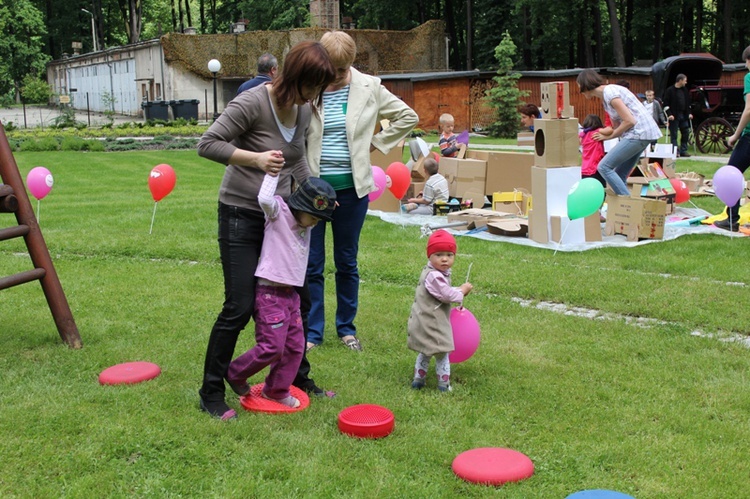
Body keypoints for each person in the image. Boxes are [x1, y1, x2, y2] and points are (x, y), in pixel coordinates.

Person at [196, 41, 335, 420]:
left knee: (298, 303)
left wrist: (317, 201)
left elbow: (299, 165)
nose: (315, 95)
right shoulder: (252, 103)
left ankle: (297, 379)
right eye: (312, 86)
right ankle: (211, 391)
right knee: (239, 305)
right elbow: (207, 144)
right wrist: (255, 159)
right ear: (296, 76)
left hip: (284, 218)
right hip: (241, 214)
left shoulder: (304, 111)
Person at [304, 30, 418, 352]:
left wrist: (376, 143)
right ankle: (313, 332)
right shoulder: (310, 85)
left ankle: (346, 329)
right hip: (313, 190)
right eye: (332, 68)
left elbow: (408, 116)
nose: (337, 75)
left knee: (346, 261)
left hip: (352, 192)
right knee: (311, 264)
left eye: (343, 69)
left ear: (352, 62)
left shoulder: (370, 87)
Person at [226, 174, 336, 409]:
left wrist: (326, 205)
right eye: (314, 217)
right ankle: (235, 372)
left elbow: (317, 208)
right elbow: (264, 198)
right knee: (272, 347)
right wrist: (272, 174)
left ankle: (276, 390)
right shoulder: (279, 214)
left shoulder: (307, 225)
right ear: (301, 207)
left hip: (291, 296)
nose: (315, 223)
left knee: (295, 347)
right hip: (270, 295)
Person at [577, 69, 662, 196]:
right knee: (618, 174)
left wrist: (610, 135)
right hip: (641, 134)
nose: (579, 91)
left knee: (603, 167)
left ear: (585, 85)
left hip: (639, 133)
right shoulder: (605, 98)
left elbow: (629, 121)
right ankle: (623, 211)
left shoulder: (610, 93)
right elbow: (615, 125)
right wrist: (604, 135)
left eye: (579, 87)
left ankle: (629, 204)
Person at [407, 230, 472, 392]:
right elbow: (445, 294)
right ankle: (444, 384)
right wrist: (462, 291)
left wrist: (456, 290)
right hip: (433, 322)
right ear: (429, 256)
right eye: (439, 254)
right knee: (442, 352)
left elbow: (442, 290)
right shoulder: (434, 276)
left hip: (426, 319)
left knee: (426, 350)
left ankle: (418, 379)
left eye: (449, 255)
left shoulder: (436, 273)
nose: (445, 259)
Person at [716, 45, 750, 232]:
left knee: (732, 174)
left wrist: (735, 135)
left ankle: (732, 220)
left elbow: (749, 109)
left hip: (749, 137)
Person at [662, 74, 693, 157]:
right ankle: (675, 151)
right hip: (674, 116)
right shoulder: (670, 90)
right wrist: (669, 114)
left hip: (683, 114)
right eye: (685, 80)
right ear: (680, 80)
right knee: (674, 134)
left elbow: (688, 103)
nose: (686, 82)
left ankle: (683, 150)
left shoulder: (685, 90)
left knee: (685, 132)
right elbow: (666, 104)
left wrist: (689, 113)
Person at [579, 114, 606, 188]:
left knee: (587, 189)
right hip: (595, 166)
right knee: (601, 188)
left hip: (585, 168)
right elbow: (609, 131)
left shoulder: (583, 135)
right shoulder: (598, 132)